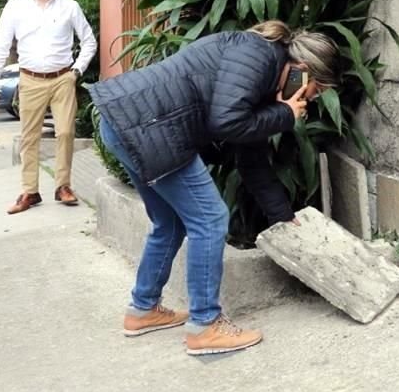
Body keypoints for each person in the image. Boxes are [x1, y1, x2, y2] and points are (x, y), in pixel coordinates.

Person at [88, 20, 339, 356]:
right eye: (317, 89)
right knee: (210, 219)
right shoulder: (259, 56)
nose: (313, 98)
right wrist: (283, 113)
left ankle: (143, 309)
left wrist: (283, 217)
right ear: (303, 71)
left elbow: (252, 160)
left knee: (170, 222)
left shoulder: (265, 83)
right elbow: (226, 121)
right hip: (150, 128)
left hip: (128, 124)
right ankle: (205, 326)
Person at [0, 0, 98, 213]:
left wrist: (76, 71)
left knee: (66, 132)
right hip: (31, 79)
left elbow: (89, 41)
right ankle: (30, 191)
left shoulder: (70, 7)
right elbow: (0, 47)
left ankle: (63, 186)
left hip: (62, 79)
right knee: (29, 137)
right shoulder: (15, 7)